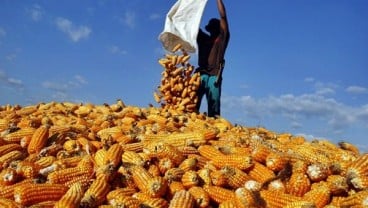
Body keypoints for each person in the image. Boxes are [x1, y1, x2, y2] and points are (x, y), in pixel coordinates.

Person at [195, 0, 230, 117]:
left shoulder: (222, 39)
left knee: (213, 109)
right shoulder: (203, 39)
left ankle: (214, 125)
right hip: (201, 75)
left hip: (214, 76)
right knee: (192, 103)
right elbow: (192, 24)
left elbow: (223, 16)